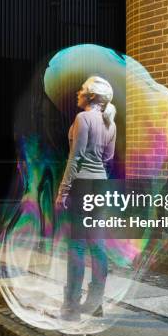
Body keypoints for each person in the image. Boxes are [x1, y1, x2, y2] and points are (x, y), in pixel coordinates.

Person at [55, 76, 117, 321]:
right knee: (98, 246)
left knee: (77, 246)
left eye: (81, 90)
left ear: (91, 96)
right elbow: (108, 158)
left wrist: (63, 191)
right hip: (100, 185)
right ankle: (95, 304)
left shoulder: (83, 119)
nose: (77, 93)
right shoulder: (111, 122)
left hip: (81, 186)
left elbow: (75, 158)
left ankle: (70, 307)